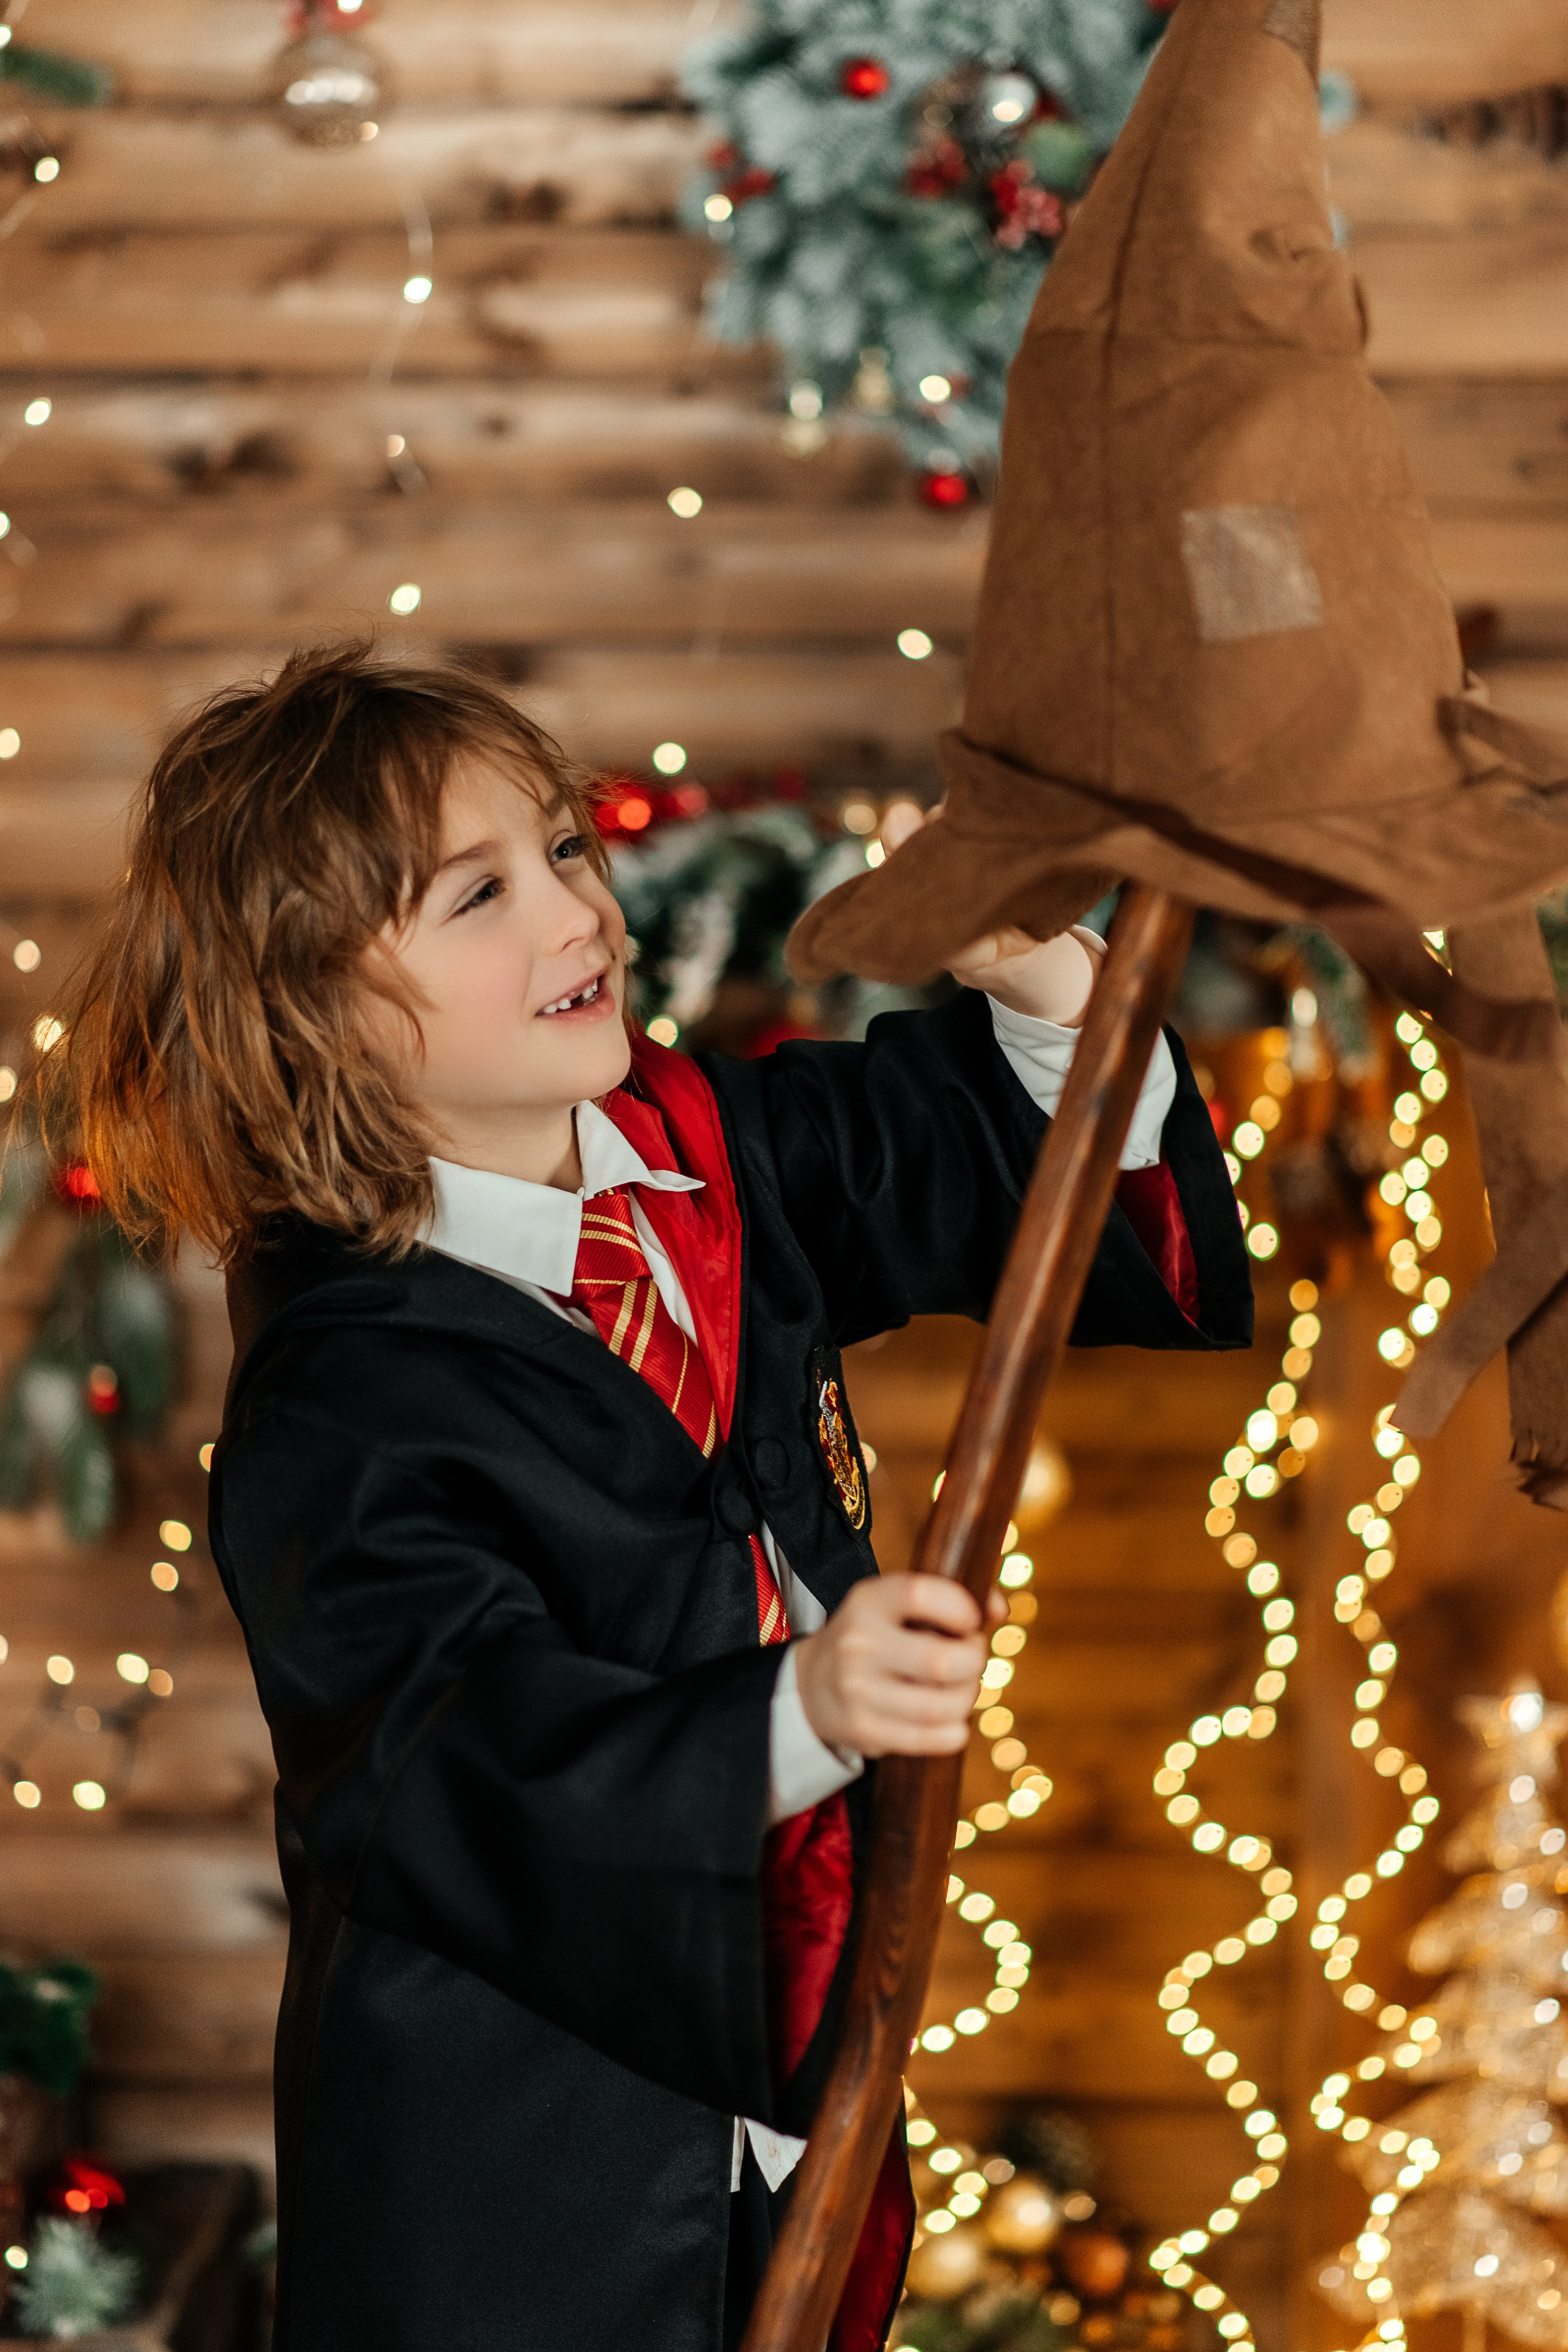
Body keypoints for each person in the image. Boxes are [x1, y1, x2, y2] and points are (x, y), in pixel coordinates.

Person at [49, 645, 1251, 2352]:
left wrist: (1046, 984)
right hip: (521, 2174)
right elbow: (455, 1755)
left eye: (566, 848)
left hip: (788, 2083)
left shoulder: (709, 1160)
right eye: (480, 897)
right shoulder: (346, 1398)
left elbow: (1024, 1174)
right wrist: (800, 1707)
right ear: (314, 1010)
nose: (576, 916)